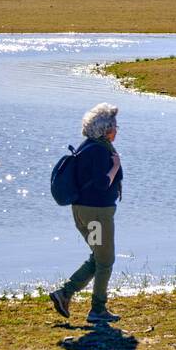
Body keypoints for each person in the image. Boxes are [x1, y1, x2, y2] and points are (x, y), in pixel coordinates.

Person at [49, 103, 124, 324]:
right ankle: (97, 310)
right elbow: (102, 183)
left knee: (99, 258)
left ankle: (64, 294)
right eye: (115, 126)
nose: (117, 130)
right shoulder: (101, 151)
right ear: (106, 129)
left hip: (84, 211)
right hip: (97, 214)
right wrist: (115, 166)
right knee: (106, 261)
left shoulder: (88, 146)